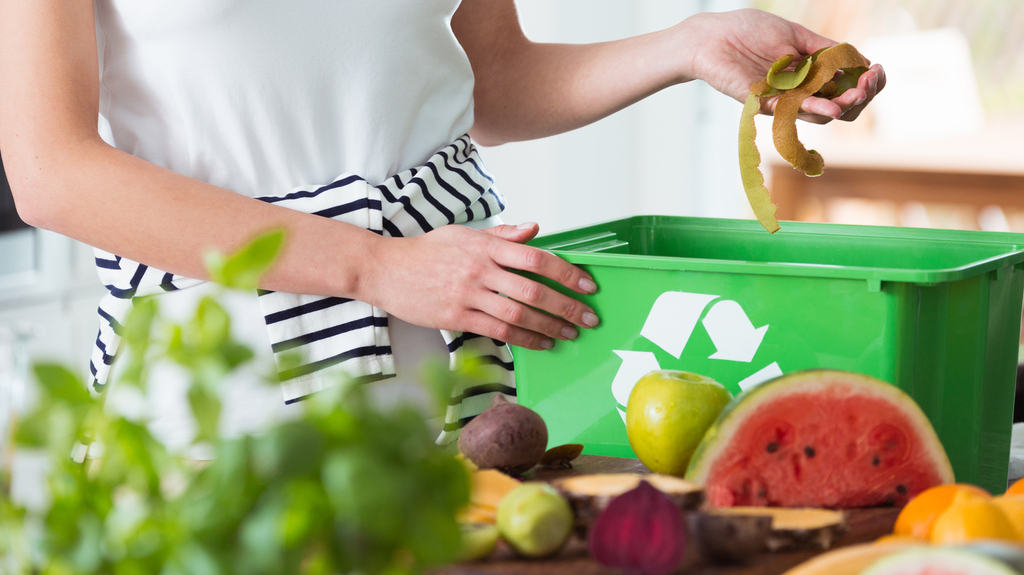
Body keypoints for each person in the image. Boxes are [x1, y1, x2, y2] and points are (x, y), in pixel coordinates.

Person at [0, 1, 884, 450]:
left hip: (461, 351)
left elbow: (490, 80)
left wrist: (688, 45)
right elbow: (51, 169)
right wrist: (375, 267)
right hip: (226, 374)